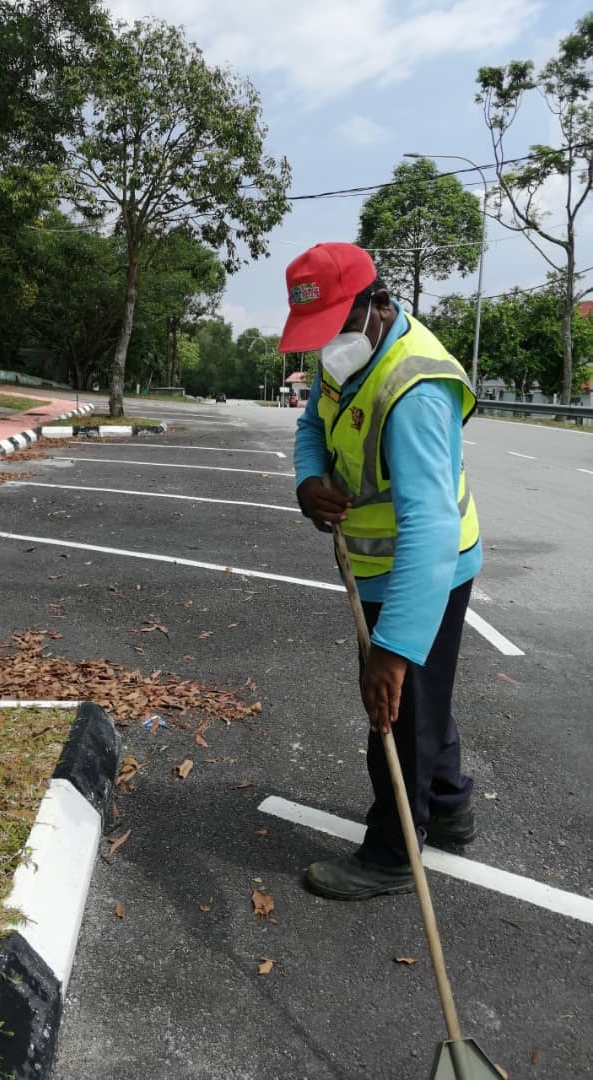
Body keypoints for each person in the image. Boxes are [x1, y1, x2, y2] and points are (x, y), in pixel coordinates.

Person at [280, 242, 482, 901]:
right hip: (375, 564)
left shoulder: (415, 389)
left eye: (337, 325)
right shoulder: (346, 357)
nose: (326, 348)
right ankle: (450, 802)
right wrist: (309, 481)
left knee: (393, 708)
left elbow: (431, 529)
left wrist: (392, 650)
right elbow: (313, 424)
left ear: (379, 306)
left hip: (426, 570)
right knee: (423, 701)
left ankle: (395, 851)